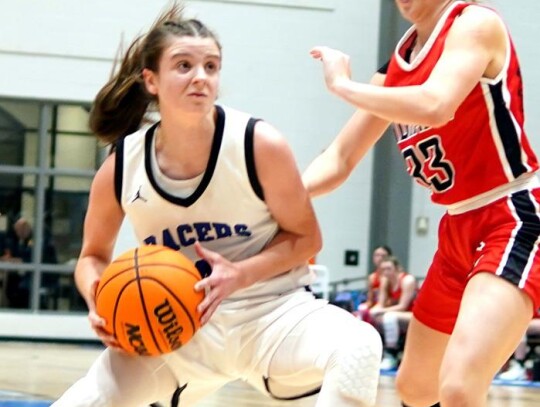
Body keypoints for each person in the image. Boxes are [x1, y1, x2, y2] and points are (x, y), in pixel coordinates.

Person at [52, 4, 382, 407]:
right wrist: (99, 300)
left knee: (359, 345)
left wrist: (240, 274)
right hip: (175, 330)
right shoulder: (122, 165)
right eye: (184, 66)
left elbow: (307, 238)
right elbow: (92, 257)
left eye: (211, 66)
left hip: (272, 314)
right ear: (151, 80)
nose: (200, 78)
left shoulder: (258, 144)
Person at [303, 0, 540, 406]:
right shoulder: (395, 68)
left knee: (459, 388)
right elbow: (339, 159)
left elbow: (436, 105)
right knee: (415, 388)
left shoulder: (474, 23)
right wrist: (272, 197)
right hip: (455, 228)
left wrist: (342, 85)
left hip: (513, 213)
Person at [367, 256, 417, 371]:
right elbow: (381, 304)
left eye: (389, 268)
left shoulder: (407, 280)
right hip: (398, 314)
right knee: (373, 316)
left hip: (413, 314)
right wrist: (371, 311)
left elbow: (403, 306)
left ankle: (391, 354)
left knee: (389, 317)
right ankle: (377, 352)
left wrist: (380, 310)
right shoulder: (385, 281)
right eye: (383, 269)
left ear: (397, 268)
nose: (386, 272)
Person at [497, 311, 540, 381]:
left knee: (521, 326)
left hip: (532, 322)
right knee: (515, 326)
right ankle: (505, 366)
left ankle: (519, 365)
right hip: (526, 319)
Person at [356, 245, 392, 316]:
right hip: (376, 306)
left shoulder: (391, 276)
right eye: (377, 255)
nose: (380, 258)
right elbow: (370, 300)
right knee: (361, 309)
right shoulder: (372, 277)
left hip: (388, 306)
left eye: (383, 256)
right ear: (373, 258)